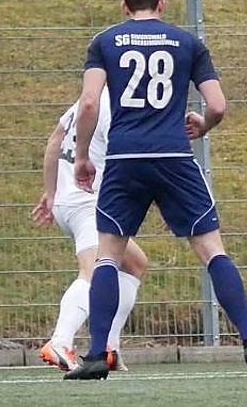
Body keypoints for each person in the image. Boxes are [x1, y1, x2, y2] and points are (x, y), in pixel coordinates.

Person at [63, 0, 247, 380]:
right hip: (174, 156)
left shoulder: (105, 41)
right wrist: (203, 123)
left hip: (125, 158)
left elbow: (89, 102)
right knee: (212, 250)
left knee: (108, 255)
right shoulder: (188, 43)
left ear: (124, 6)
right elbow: (218, 105)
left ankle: (96, 355)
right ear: (163, 4)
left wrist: (83, 156)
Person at [30, 89, 149, 371]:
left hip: (70, 200)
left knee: (133, 264)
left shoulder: (89, 100)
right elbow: (130, 161)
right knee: (94, 271)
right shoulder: (116, 105)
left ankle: (108, 347)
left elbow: (55, 141)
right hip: (88, 203)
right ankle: (60, 342)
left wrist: (52, 193)